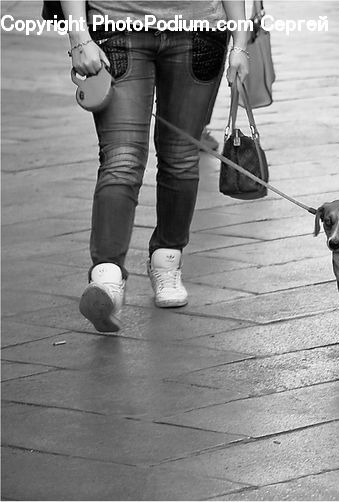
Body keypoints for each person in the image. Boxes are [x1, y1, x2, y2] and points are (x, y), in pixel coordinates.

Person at [64, 0, 252, 332]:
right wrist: (79, 37)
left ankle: (167, 260)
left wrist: (241, 43)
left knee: (180, 158)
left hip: (200, 30)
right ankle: (106, 278)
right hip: (116, 25)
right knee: (121, 160)